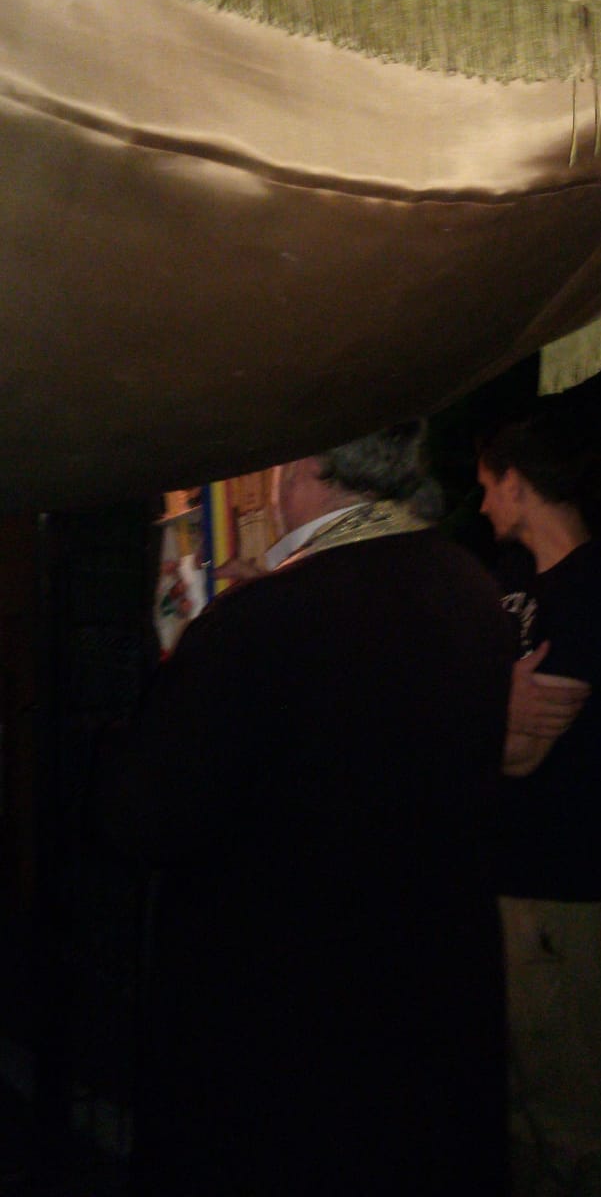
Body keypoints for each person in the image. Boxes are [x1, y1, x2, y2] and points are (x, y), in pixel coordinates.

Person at [92, 423, 518, 1197]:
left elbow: (147, 819)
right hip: (428, 994)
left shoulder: (259, 622)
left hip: (282, 1021)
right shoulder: (467, 585)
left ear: (305, 467)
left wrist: (181, 669)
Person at [477, 413, 601, 1197]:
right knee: (517, 1105)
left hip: (556, 884)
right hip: (502, 873)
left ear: (517, 483)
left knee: (575, 1106)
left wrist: (473, 712)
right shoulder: (508, 580)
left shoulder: (592, 591)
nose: (481, 504)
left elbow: (520, 751)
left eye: (487, 486)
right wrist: (488, 705)